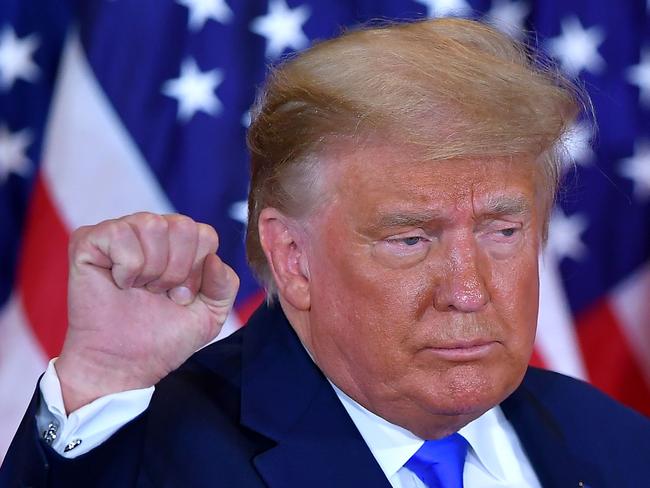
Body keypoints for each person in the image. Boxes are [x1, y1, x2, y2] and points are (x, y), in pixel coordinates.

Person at [2, 17, 649, 488]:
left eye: (502, 232)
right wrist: (102, 383)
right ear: (292, 258)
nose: (469, 290)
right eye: (411, 239)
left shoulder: (616, 444)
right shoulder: (168, 454)